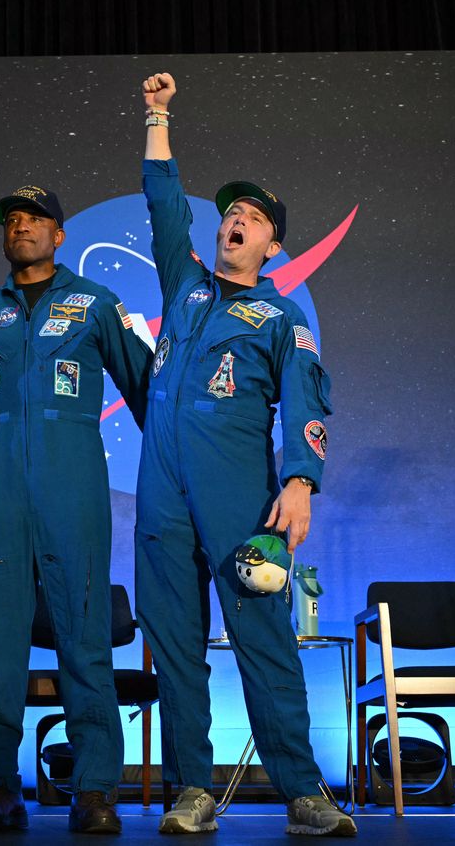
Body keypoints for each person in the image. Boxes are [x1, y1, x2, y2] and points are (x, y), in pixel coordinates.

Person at [135, 72, 354, 837]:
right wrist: (159, 116)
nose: (236, 221)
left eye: (252, 217)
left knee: (263, 640)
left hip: (239, 498)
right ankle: (191, 789)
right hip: (162, 499)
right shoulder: (185, 286)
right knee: (175, 648)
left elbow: (305, 404)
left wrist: (299, 482)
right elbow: (165, 203)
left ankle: (304, 793)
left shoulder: (281, 316)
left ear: (272, 243)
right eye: (230, 213)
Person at [0, 187, 153, 835]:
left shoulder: (95, 304)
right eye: (11, 219)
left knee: (85, 636)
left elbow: (149, 391)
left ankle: (94, 790)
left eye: (35, 219)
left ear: (59, 235)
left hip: (74, 483)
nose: (21, 227)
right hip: (2, 482)